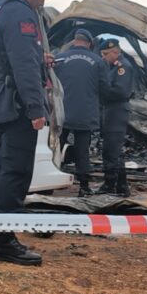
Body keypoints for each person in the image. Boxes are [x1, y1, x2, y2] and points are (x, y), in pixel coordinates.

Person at [0, 0, 56, 265]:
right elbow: (22, 65)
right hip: (16, 104)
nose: (41, 4)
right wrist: (37, 109)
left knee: (0, 168)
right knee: (16, 171)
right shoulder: (20, 12)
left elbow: (6, 53)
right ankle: (2, 241)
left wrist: (38, 56)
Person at [53, 28, 109, 196]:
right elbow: (104, 88)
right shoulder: (98, 61)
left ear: (74, 41)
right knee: (82, 151)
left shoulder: (59, 59)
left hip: (61, 113)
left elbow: (49, 84)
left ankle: (49, 183)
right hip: (85, 113)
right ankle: (84, 187)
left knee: (56, 148)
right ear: (90, 43)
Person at [96, 38, 135, 196]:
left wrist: (101, 89)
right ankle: (122, 186)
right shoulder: (111, 66)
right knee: (115, 150)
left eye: (105, 54)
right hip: (110, 110)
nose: (103, 57)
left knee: (111, 150)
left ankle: (109, 184)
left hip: (116, 110)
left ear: (115, 52)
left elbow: (120, 91)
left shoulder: (122, 67)